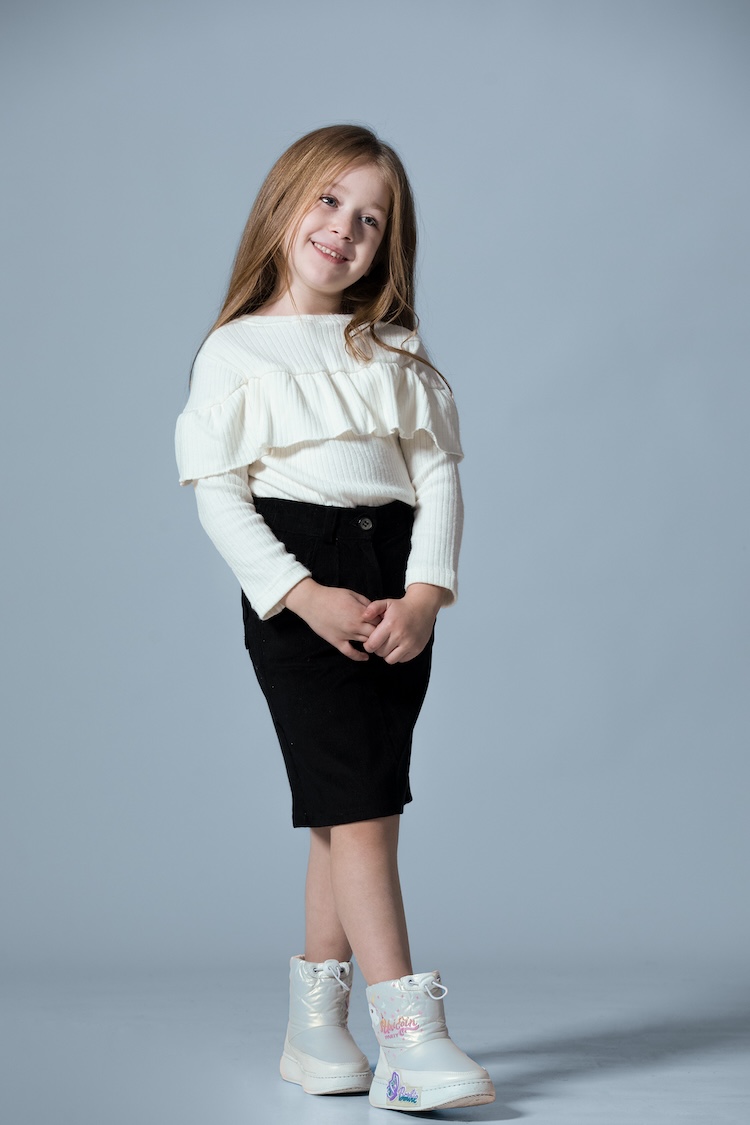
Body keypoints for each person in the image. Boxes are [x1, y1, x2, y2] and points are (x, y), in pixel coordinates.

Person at [175, 124, 495, 1113]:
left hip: (394, 579)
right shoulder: (234, 351)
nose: (345, 229)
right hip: (297, 581)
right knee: (358, 807)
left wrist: (427, 594)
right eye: (328, 201)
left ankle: (316, 1033)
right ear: (283, 204)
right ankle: (410, 1040)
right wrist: (303, 594)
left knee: (352, 805)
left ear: (387, 245)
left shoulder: (392, 348)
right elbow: (220, 496)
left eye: (371, 220)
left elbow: (438, 478)